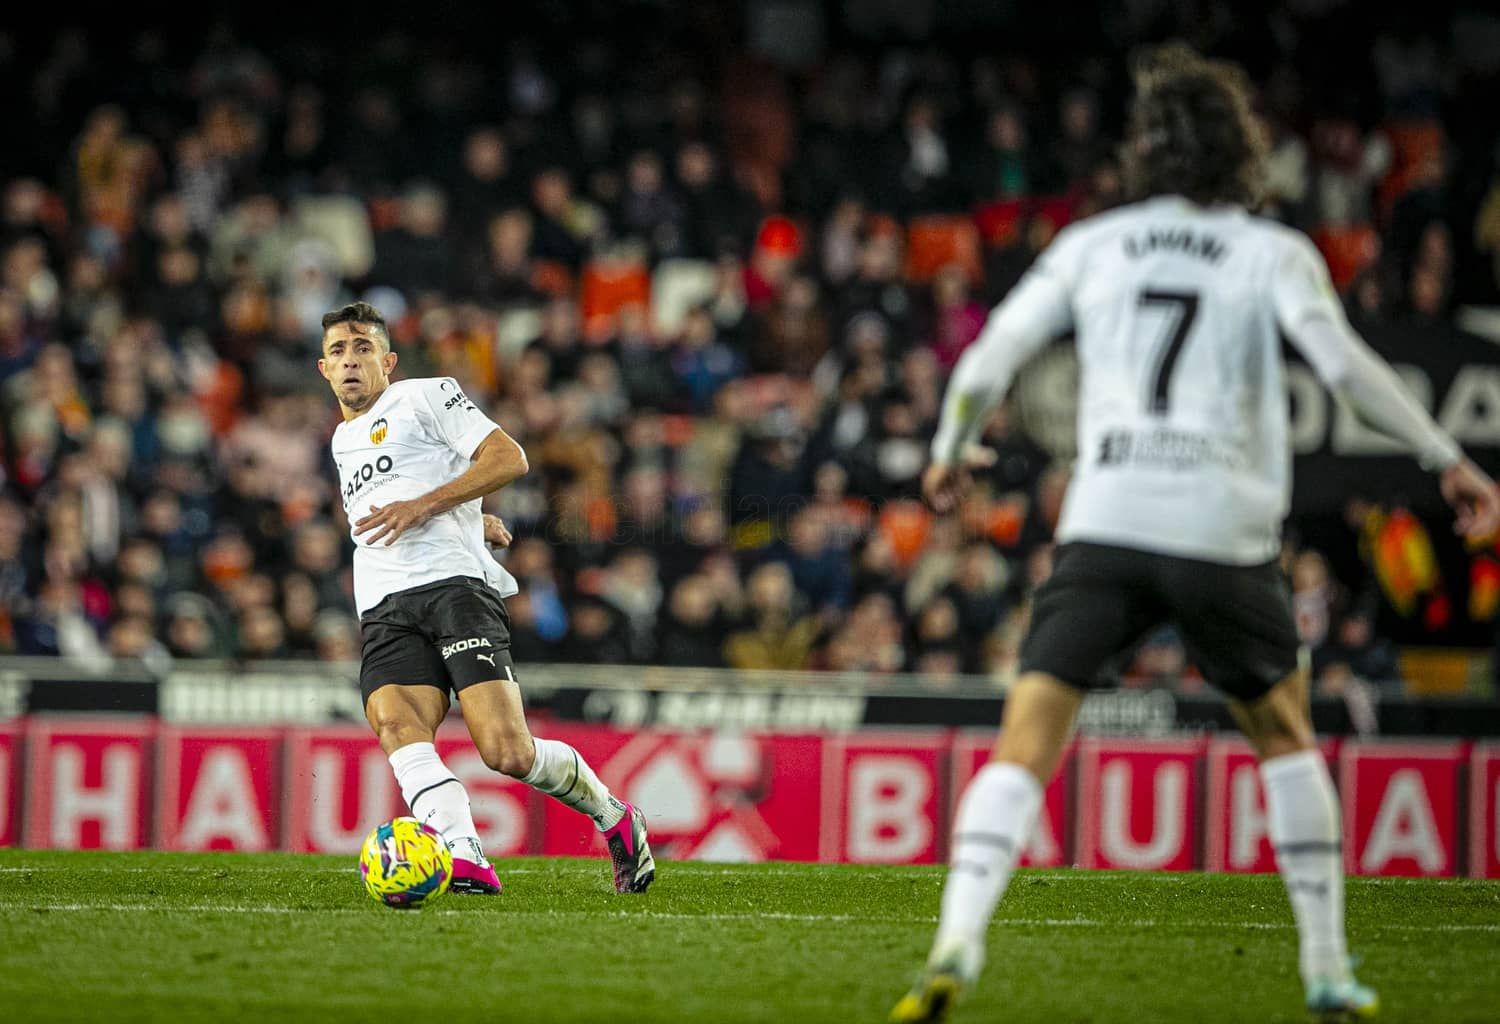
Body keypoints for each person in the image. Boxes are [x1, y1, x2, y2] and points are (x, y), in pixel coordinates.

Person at [890, 44, 1500, 1024]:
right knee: (1286, 738)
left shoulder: (1096, 242)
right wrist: (1449, 459)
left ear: (1144, 152)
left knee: (1028, 737)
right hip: (1224, 529)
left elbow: (989, 356)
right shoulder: (1271, 250)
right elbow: (1344, 372)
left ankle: (956, 938)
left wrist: (951, 448)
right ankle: (1329, 971)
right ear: (1240, 152)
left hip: (1109, 516)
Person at [317, 301, 654, 896]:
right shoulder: (343, 439)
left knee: (506, 751)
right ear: (323, 368)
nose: (351, 361)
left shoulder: (426, 396)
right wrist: (473, 515)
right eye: (339, 351)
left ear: (388, 361)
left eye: (363, 348)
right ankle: (464, 853)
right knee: (397, 725)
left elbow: (507, 458)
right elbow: (418, 482)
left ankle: (615, 816)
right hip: (383, 602)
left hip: (455, 591)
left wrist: (431, 509)